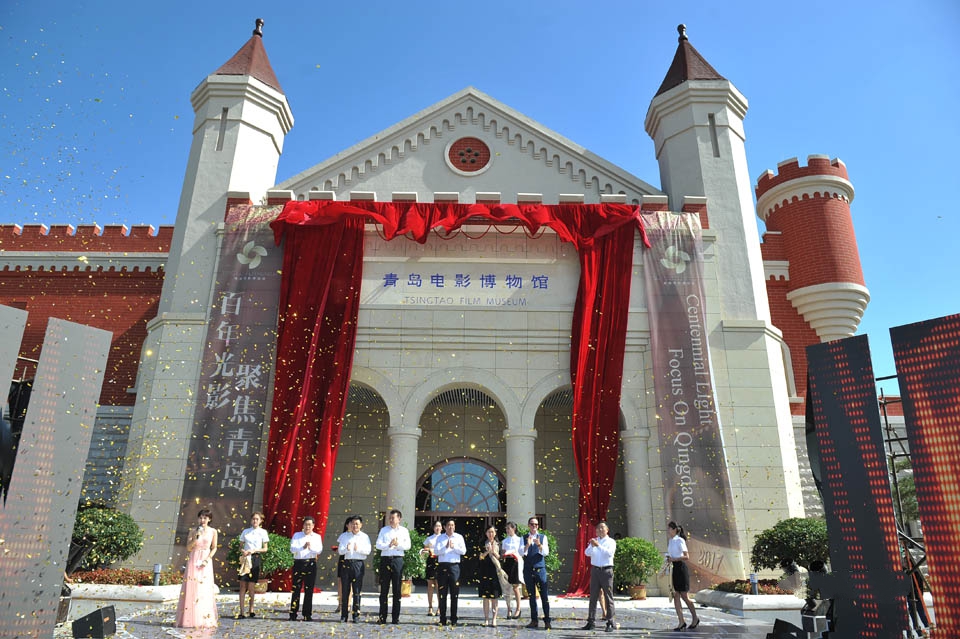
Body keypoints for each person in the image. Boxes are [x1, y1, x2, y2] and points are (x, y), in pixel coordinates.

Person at [175, 509, 219, 628]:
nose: (202, 520)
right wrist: (195, 538)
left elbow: (214, 547)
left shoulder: (213, 531)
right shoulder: (193, 531)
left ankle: (204, 618)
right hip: (194, 558)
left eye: (205, 518)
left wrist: (207, 559)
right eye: (200, 517)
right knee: (192, 587)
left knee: (203, 588)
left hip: (205, 559)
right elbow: (188, 548)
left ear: (209, 519)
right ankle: (189, 618)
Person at [375, 509, 411, 624]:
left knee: (396, 590)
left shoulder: (404, 531)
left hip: (397, 560)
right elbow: (378, 545)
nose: (390, 520)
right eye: (389, 518)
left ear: (399, 519)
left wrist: (398, 544)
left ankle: (395, 617)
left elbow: (408, 546)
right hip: (386, 560)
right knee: (384, 589)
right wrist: (388, 545)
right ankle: (382, 617)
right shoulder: (384, 530)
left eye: (393, 518)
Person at [582, 521, 616, 632]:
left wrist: (598, 546)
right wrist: (592, 546)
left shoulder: (611, 541)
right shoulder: (594, 540)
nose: (600, 530)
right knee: (593, 597)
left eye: (602, 528)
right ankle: (591, 621)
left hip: (606, 571)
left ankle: (610, 621)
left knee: (608, 597)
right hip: (595, 570)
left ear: (607, 530)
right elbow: (587, 553)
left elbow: (609, 553)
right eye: (598, 528)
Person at [338, 515, 372, 623]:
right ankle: (344, 615)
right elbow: (340, 551)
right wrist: (346, 549)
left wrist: (359, 549)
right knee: (345, 590)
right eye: (353, 523)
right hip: (346, 564)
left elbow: (367, 551)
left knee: (357, 590)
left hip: (358, 564)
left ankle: (356, 615)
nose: (355, 526)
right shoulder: (344, 536)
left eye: (357, 524)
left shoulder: (365, 537)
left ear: (361, 525)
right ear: (350, 525)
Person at [235, 511, 269, 619]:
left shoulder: (263, 532)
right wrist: (243, 551)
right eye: (253, 519)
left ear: (260, 521)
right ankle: (241, 611)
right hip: (245, 558)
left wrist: (254, 550)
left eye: (257, 519)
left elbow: (265, 548)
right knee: (242, 585)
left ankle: (251, 609)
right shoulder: (246, 531)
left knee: (251, 586)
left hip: (255, 558)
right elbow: (240, 546)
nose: (255, 521)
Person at [433, 519, 466, 627]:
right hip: (442, 567)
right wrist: (445, 547)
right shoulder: (440, 538)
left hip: (454, 567)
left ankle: (454, 618)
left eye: (453, 525)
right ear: (445, 527)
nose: (451, 527)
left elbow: (463, 551)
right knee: (442, 594)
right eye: (449, 525)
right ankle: (442, 618)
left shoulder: (459, 537)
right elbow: (436, 552)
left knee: (454, 593)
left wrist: (454, 547)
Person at [667, 521, 700, 631]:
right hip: (674, 568)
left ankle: (695, 618)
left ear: (674, 529)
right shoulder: (671, 541)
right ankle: (681, 621)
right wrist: (668, 559)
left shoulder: (680, 540)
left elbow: (686, 556)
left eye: (669, 529)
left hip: (681, 568)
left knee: (684, 596)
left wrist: (674, 559)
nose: (668, 531)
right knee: (676, 595)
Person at [289, 515, 323, 621]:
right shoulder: (297, 535)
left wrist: (310, 547)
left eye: (310, 525)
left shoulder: (317, 537)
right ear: (303, 525)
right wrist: (302, 547)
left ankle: (307, 613)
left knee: (309, 589)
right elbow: (292, 549)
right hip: (299, 563)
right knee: (296, 589)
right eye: (306, 524)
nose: (307, 527)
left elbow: (319, 550)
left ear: (313, 526)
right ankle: (293, 613)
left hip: (311, 563)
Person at [523, 517, 552, 629]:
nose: (534, 526)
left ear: (538, 526)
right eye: (532, 524)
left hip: (540, 570)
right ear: (528, 525)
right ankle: (534, 620)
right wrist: (528, 545)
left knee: (544, 596)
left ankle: (547, 620)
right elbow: (522, 552)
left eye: (536, 524)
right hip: (528, 569)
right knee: (531, 596)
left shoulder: (543, 537)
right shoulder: (524, 537)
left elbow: (546, 553)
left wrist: (539, 545)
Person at [478, 525, 503, 626]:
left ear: (495, 533)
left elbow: (501, 558)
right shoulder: (482, 543)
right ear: (486, 533)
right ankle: (486, 619)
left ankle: (494, 619)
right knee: (486, 597)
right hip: (484, 572)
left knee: (494, 597)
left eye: (492, 532)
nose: (491, 534)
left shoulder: (499, 544)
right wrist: (487, 551)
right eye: (489, 532)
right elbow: (480, 557)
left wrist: (494, 552)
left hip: (495, 572)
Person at [500, 522, 524, 619]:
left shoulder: (519, 539)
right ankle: (509, 608)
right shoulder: (505, 541)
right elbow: (502, 554)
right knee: (507, 588)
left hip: (516, 562)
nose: (507, 530)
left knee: (515, 587)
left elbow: (522, 552)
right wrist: (503, 553)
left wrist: (515, 553)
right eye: (506, 529)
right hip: (507, 563)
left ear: (514, 529)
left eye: (509, 528)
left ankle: (518, 609)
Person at [422, 520, 443, 617]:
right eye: (436, 526)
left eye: (439, 526)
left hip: (441, 561)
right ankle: (430, 607)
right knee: (430, 585)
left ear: (442, 528)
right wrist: (427, 551)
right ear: (433, 528)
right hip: (431, 562)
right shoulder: (429, 539)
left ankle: (439, 607)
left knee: (439, 585)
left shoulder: (444, 538)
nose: (438, 528)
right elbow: (424, 549)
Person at [334, 516, 351, 615]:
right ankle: (340, 604)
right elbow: (340, 548)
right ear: (346, 525)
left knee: (351, 583)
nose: (352, 525)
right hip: (343, 559)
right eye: (350, 523)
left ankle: (348, 604)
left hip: (352, 559)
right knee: (340, 581)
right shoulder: (343, 535)